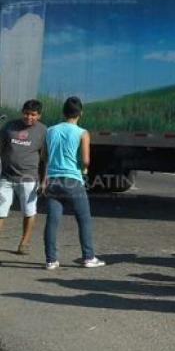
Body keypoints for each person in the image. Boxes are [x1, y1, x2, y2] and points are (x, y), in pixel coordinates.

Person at [43, 97, 105, 270]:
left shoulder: (50, 131)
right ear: (80, 113)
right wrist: (83, 168)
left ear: (63, 112)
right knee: (84, 219)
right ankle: (88, 257)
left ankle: (50, 260)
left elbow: (44, 157)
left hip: (53, 180)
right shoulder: (82, 133)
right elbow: (85, 160)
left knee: (52, 221)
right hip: (72, 179)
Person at [0, 99, 47, 255]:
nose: (29, 117)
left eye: (33, 115)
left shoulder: (43, 131)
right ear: (22, 112)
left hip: (29, 179)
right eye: (26, 113)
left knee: (29, 211)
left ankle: (24, 243)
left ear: (39, 115)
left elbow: (44, 158)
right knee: (0, 211)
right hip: (6, 177)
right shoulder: (9, 127)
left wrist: (44, 179)